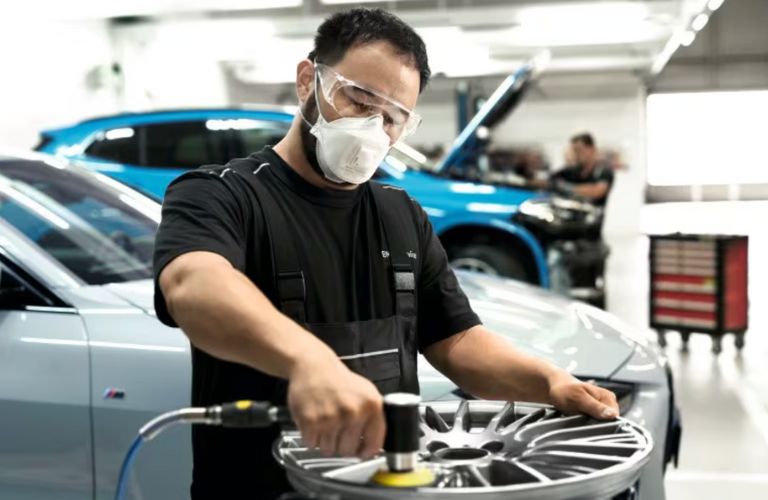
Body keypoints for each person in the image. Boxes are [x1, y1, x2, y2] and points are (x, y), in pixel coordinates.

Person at [153, 8, 619, 498]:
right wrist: (311, 361)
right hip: (262, 488)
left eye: (394, 118)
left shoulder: (401, 214)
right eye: (359, 100)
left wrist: (547, 383)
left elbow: (457, 341)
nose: (374, 128)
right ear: (308, 79)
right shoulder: (219, 195)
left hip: (385, 486)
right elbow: (194, 285)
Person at [551, 133, 614, 206]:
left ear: (591, 149)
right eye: (574, 151)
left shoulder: (603, 171)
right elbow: (550, 180)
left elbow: (597, 191)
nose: (577, 154)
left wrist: (568, 188)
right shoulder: (571, 170)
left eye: (579, 150)